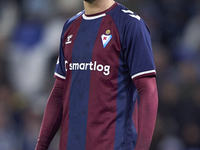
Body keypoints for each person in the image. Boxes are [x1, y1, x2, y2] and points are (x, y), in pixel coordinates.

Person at [35, 0, 158, 150]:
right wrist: (41, 146)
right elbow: (59, 91)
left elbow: (148, 90)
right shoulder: (70, 26)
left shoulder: (130, 24)